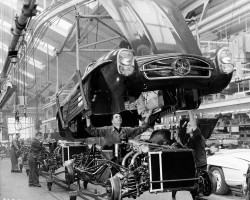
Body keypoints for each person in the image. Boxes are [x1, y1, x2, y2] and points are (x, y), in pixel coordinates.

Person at [86, 109, 153, 150]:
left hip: (123, 155)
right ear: (112, 121)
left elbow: (141, 129)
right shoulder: (107, 129)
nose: (119, 118)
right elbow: (92, 131)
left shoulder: (126, 130)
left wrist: (148, 115)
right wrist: (88, 118)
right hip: (111, 157)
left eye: (120, 117)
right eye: (116, 117)